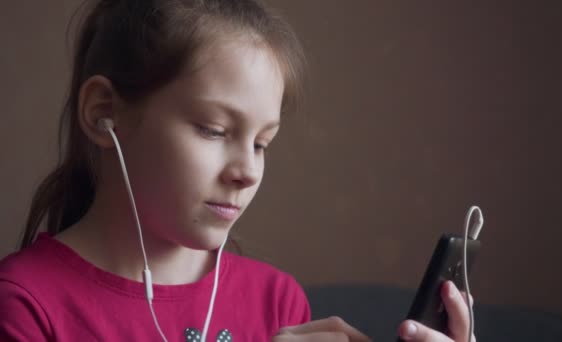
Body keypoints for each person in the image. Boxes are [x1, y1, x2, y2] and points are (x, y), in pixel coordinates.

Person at [0, 1, 475, 341]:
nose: (248, 171)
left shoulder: (278, 302)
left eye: (262, 143)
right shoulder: (24, 304)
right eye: (212, 129)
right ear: (104, 112)